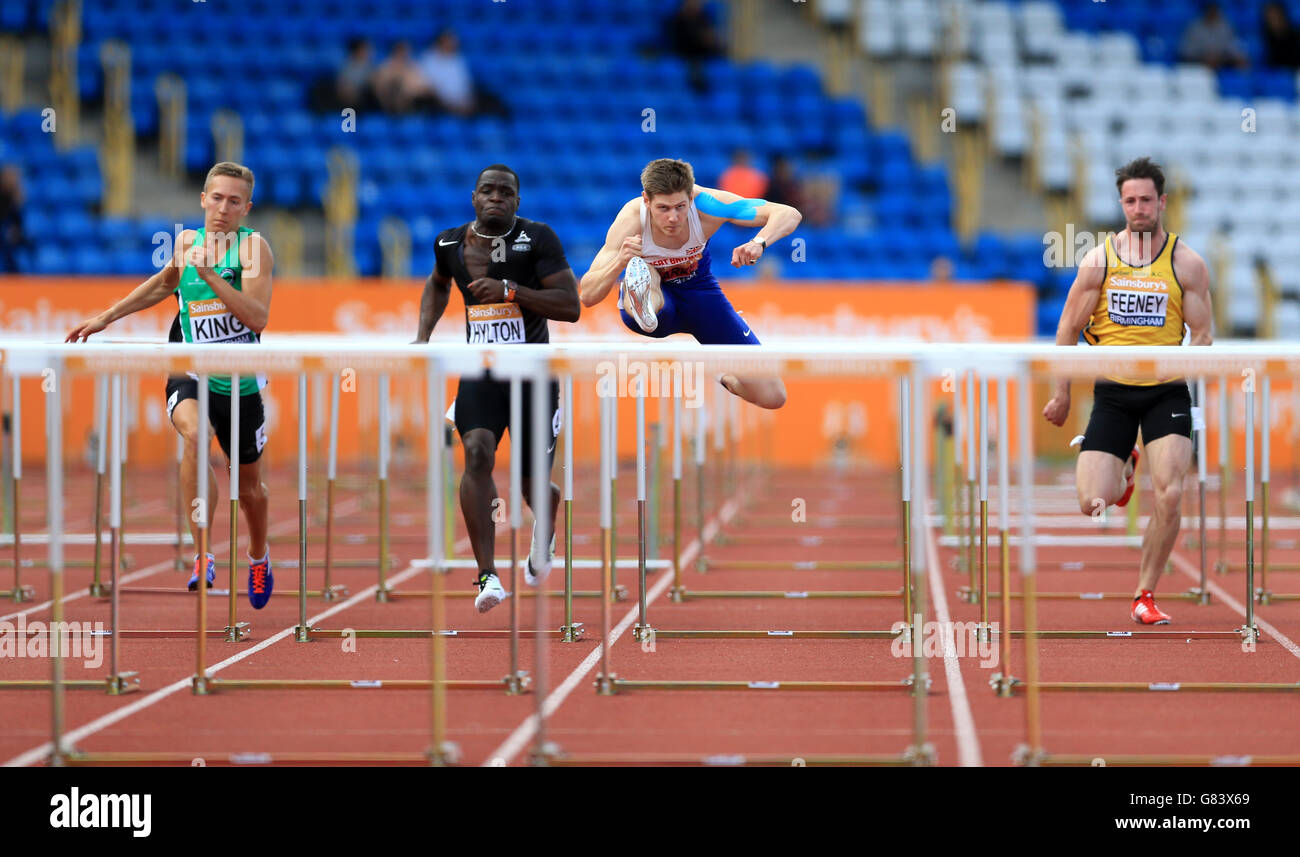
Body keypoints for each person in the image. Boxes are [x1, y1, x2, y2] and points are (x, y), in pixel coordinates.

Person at [66, 162, 276, 609]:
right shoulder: (186, 243)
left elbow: (257, 318)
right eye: (216, 198)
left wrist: (213, 276)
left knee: (250, 490)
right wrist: (105, 317)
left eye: (234, 201)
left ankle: (259, 555)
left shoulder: (254, 249)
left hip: (239, 380)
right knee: (196, 435)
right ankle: (203, 552)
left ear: (246, 209)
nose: (223, 208)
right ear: (203, 199)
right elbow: (164, 285)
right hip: (190, 366)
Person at [1042, 157, 1213, 626]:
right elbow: (1066, 330)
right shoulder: (1099, 261)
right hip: (1114, 393)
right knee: (1091, 503)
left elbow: (1203, 336)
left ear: (1162, 202)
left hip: (1167, 393)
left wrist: (1180, 371)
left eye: (1146, 200)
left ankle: (1145, 592)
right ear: (1121, 204)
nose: (1138, 209)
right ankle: (1126, 467)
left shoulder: (1186, 263)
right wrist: (1063, 395)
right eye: (1130, 201)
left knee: (1172, 493)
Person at [414, 165, 581, 613]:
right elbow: (437, 285)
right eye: (487, 190)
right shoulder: (449, 242)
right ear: (474, 197)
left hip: (533, 372)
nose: (496, 197)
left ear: (517, 202)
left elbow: (570, 306)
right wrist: (422, 338)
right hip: (482, 369)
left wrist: (512, 292)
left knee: (532, 484)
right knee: (477, 452)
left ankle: (543, 526)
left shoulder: (538, 237)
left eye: (505, 192)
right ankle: (488, 575)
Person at [580, 158, 800, 410]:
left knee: (773, 396)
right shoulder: (632, 219)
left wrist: (758, 242)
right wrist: (619, 262)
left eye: (680, 207)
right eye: (663, 208)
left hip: (701, 298)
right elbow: (587, 295)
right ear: (646, 200)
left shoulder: (707, 203)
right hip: (658, 304)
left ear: (691, 197)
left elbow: (788, 213)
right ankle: (643, 302)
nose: (673, 217)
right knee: (643, 271)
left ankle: (721, 372)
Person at [1179, 2, 1248, 70]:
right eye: (1210, 11)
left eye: (1215, 11)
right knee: (1208, 61)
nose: (1213, 14)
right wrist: (1204, 54)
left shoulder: (1225, 27)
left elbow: (1233, 46)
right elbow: (1186, 50)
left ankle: (1245, 80)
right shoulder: (1194, 28)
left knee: (1242, 61)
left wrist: (1220, 54)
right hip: (1199, 59)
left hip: (1221, 58)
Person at [1262, 2, 1300, 69]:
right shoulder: (1264, 39)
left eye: (1276, 16)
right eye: (1270, 17)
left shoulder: (1296, 36)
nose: (1274, 20)